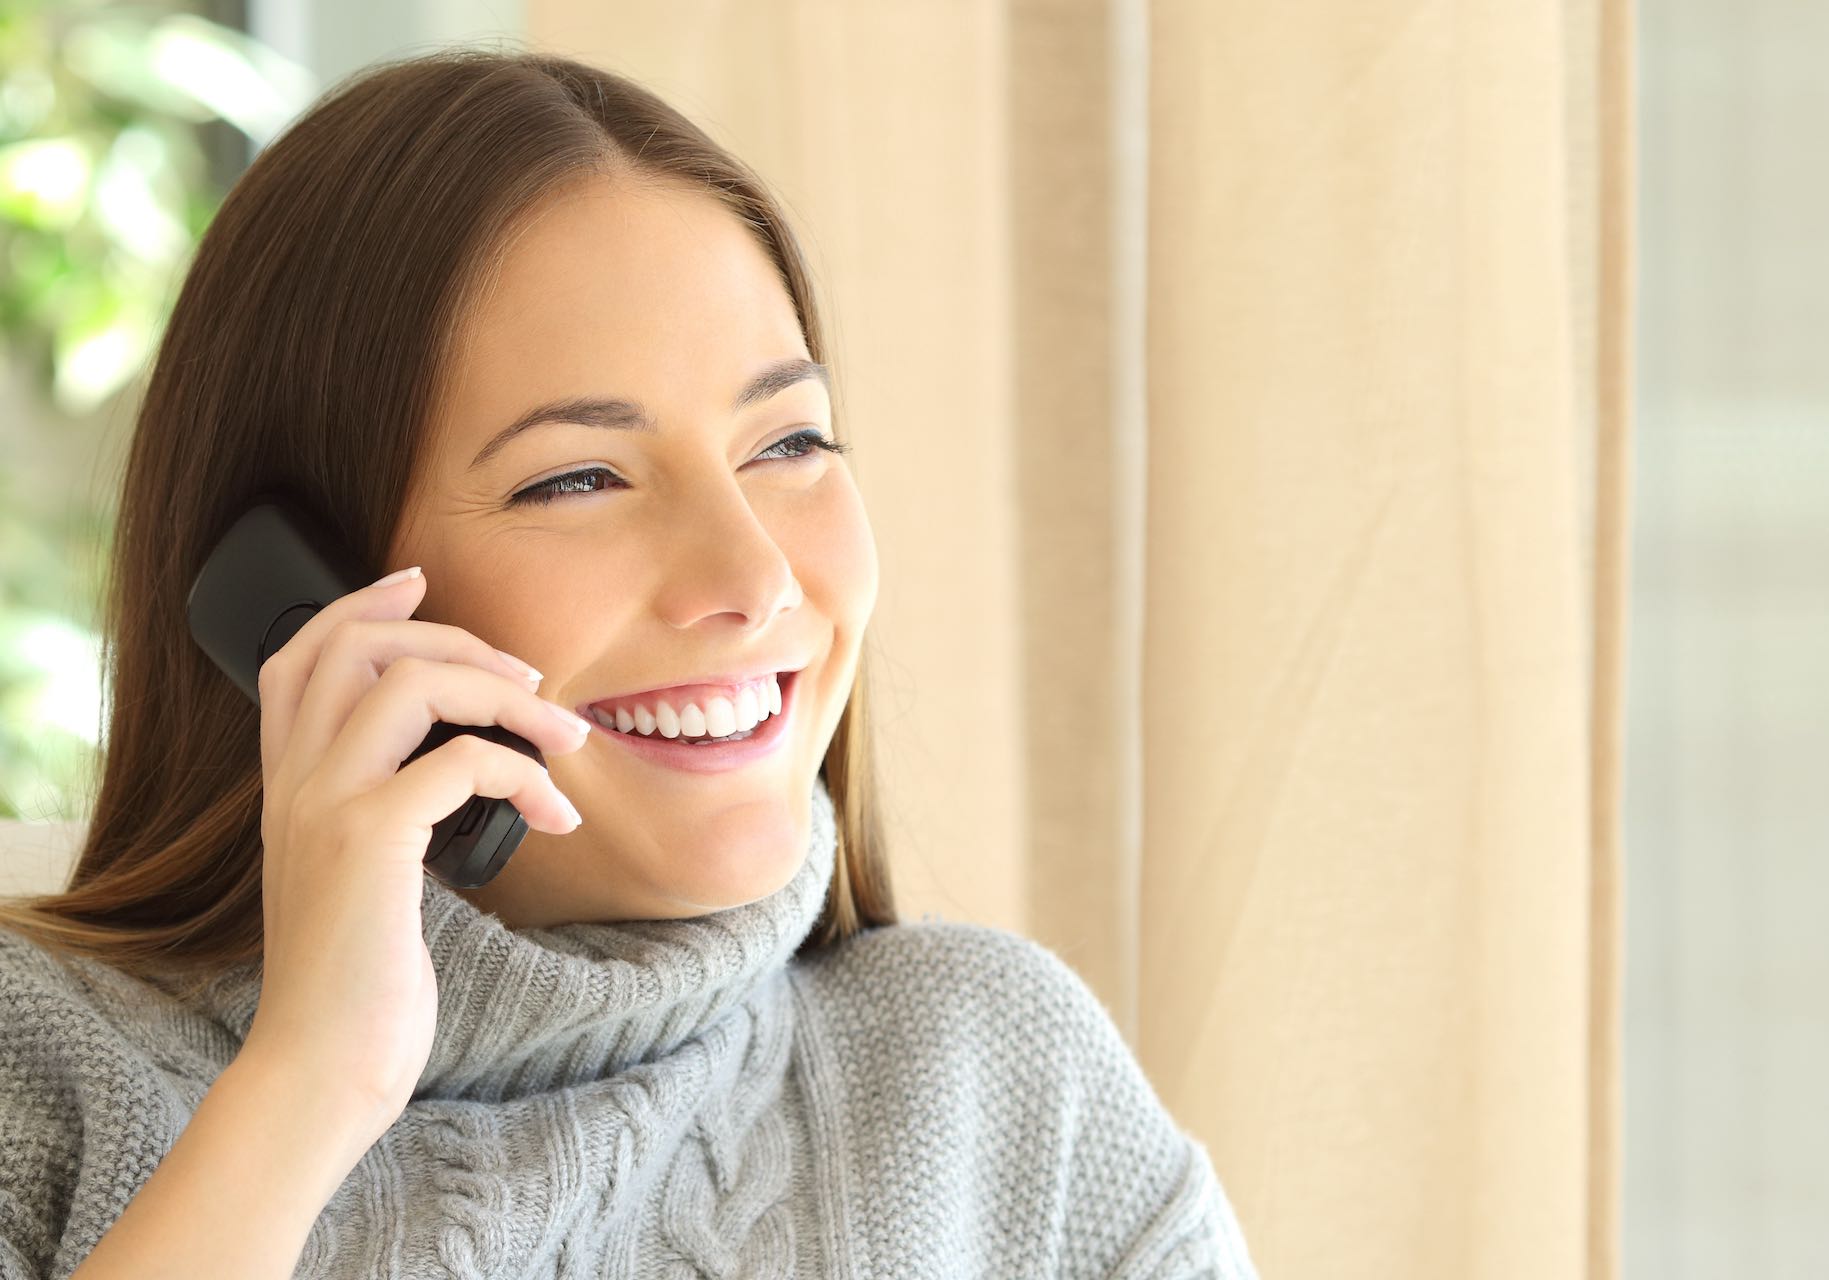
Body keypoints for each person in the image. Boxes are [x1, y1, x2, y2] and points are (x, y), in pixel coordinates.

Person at [0, 46, 1254, 1279]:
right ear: (295, 592)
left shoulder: (999, 1079)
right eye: (580, 478)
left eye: (790, 441)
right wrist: (315, 1078)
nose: (755, 579)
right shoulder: (39, 1072)